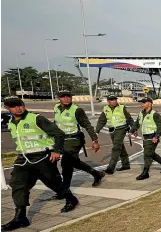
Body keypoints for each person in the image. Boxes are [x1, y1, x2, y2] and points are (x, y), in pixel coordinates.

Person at [1, 97, 79, 232]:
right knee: (18, 185)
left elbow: (58, 134)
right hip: (23, 159)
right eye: (13, 106)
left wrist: (57, 151)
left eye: (20, 105)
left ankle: (71, 199)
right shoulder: (11, 123)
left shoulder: (36, 119)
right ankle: (20, 218)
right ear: (7, 108)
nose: (18, 108)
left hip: (42, 156)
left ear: (23, 105)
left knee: (53, 183)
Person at [50, 91, 105, 200]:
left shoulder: (77, 110)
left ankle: (65, 190)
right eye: (63, 97)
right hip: (61, 140)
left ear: (71, 98)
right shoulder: (56, 107)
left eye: (68, 96)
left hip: (74, 140)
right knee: (74, 162)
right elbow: (56, 123)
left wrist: (95, 140)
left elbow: (87, 125)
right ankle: (96, 173)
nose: (66, 99)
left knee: (66, 163)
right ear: (58, 98)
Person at [129, 97, 161, 180]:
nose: (142, 104)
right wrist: (131, 131)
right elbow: (137, 123)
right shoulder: (141, 113)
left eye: (144, 102)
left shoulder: (155, 114)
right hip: (145, 137)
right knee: (150, 153)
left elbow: (160, 126)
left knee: (147, 155)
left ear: (150, 104)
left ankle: (145, 172)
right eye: (142, 103)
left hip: (153, 137)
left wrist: (156, 136)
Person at [95, 95, 134, 174]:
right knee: (120, 147)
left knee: (116, 148)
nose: (113, 101)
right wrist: (97, 131)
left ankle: (110, 168)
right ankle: (126, 164)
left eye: (114, 100)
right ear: (108, 101)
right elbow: (101, 121)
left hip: (121, 129)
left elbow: (129, 119)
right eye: (111, 100)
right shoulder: (105, 109)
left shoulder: (122, 108)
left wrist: (133, 129)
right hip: (112, 130)